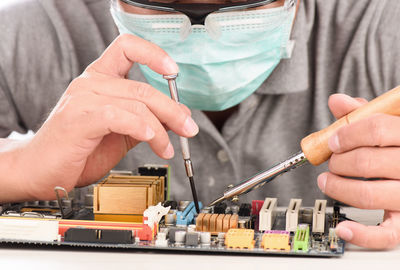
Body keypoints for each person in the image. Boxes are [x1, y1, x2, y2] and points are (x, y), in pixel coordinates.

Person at [0, 0, 399, 249]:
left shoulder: (384, 29)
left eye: (236, 1)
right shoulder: (30, 30)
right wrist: (19, 169)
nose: (200, 30)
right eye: (164, 1)